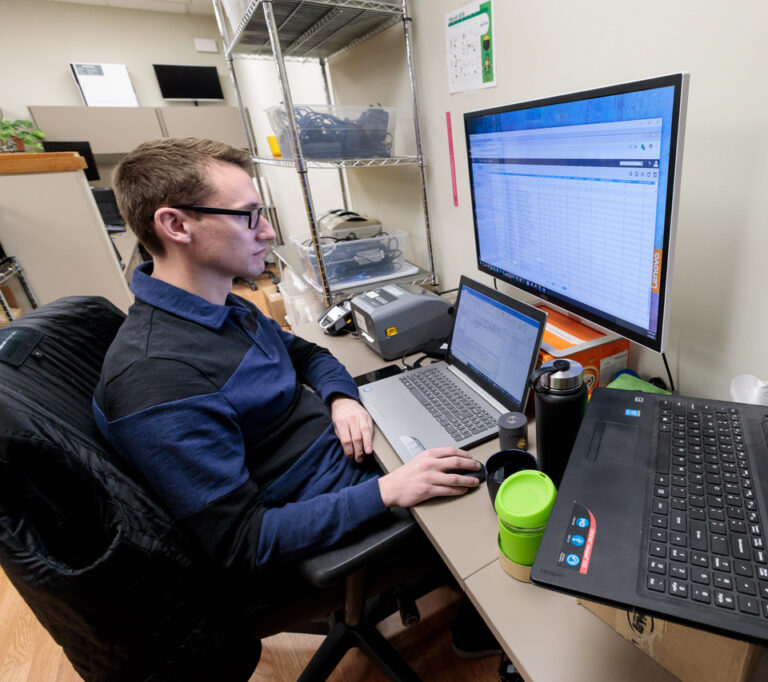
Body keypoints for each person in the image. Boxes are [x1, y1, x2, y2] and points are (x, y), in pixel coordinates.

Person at [92, 137, 484, 574]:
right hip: (326, 503)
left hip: (345, 452)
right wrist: (388, 490)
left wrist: (341, 398)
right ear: (176, 226)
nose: (268, 232)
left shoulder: (221, 306)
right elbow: (243, 541)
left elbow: (308, 355)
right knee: (487, 487)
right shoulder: (156, 377)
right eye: (248, 216)